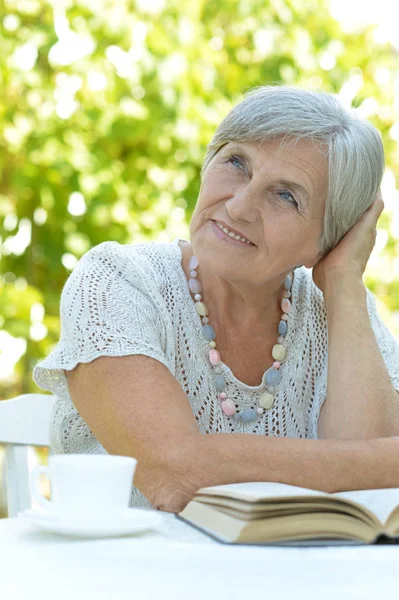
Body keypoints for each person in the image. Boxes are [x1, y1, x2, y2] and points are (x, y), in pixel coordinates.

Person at [33, 86, 399, 513]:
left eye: (286, 196)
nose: (240, 206)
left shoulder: (341, 313)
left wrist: (344, 280)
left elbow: (373, 501)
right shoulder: (119, 281)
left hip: (299, 579)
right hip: (124, 576)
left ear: (327, 240)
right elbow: (175, 476)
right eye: (236, 162)